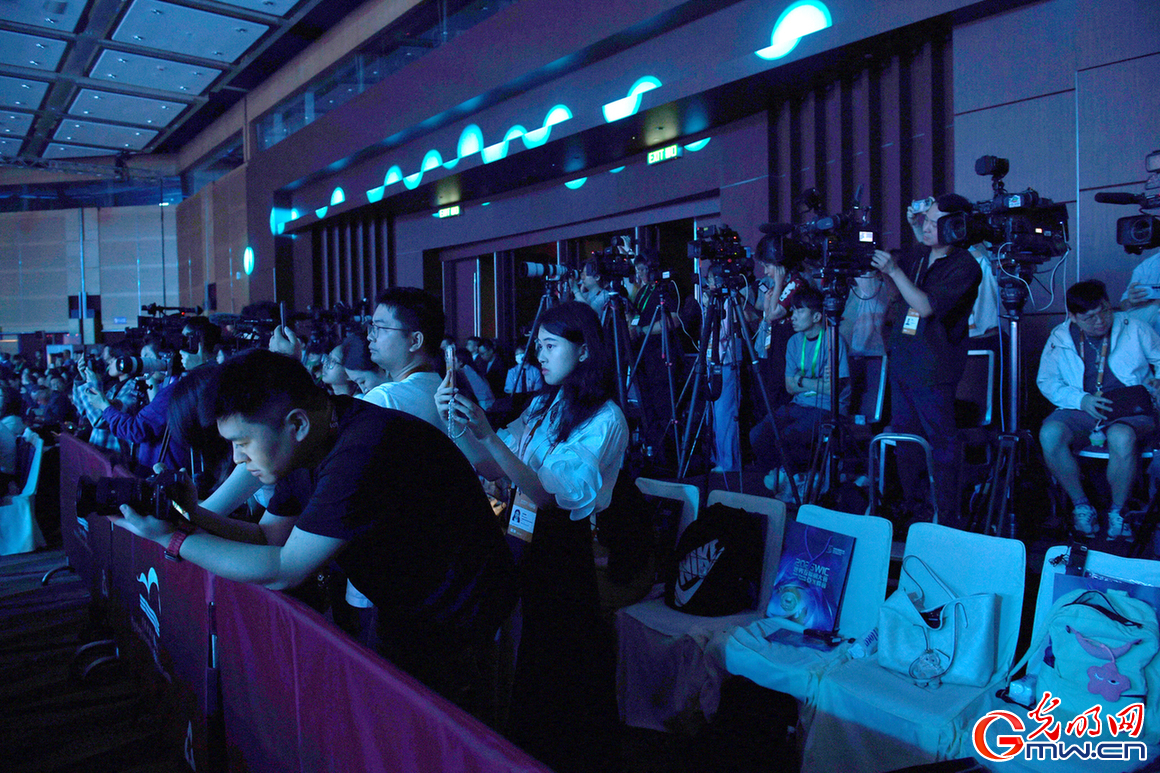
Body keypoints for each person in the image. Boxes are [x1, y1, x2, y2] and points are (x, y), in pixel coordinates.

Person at [111, 349, 518, 713]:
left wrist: (171, 539)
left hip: (467, 623)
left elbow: (284, 569)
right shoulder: (308, 443)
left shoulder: (363, 449)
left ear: (297, 424)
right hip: (412, 615)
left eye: (243, 442)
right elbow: (268, 538)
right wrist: (191, 514)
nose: (237, 457)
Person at [436, 301, 628, 773]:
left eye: (550, 345)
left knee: (561, 665)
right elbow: (493, 469)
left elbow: (544, 494)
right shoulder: (545, 403)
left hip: (563, 553)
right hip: (524, 542)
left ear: (584, 350)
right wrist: (456, 426)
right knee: (526, 661)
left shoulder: (606, 418)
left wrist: (487, 434)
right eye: (537, 345)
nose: (538, 354)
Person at [872, 193, 982, 526]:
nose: (927, 227)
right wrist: (914, 227)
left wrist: (894, 270)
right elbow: (906, 283)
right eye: (927, 220)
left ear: (955, 227)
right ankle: (916, 512)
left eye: (935, 223)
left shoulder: (965, 266)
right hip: (903, 363)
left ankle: (946, 517)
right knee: (907, 444)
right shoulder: (921, 254)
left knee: (941, 444)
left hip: (934, 369)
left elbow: (925, 306)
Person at [1038, 280, 1160, 540]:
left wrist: (1157, 381)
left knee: (1121, 436)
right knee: (1050, 434)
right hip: (1083, 405)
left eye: (1104, 311)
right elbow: (1047, 381)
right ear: (1073, 317)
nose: (1100, 321)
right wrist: (1081, 400)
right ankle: (1081, 506)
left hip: (1130, 406)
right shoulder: (1060, 337)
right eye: (1089, 317)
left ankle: (1118, 512)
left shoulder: (1134, 328)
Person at [750, 286, 850, 495]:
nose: (793, 316)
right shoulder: (794, 341)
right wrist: (817, 383)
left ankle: (793, 478)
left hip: (828, 408)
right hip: (799, 404)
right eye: (793, 311)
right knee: (758, 433)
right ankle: (783, 474)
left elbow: (833, 389)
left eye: (799, 311)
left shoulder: (834, 340)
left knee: (790, 435)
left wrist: (801, 380)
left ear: (816, 316)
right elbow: (789, 386)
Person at [72, 341, 142, 455]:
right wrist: (82, 379)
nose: (109, 363)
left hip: (114, 455)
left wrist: (93, 385)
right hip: (100, 452)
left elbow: (100, 420)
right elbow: (84, 410)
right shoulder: (114, 387)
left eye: (113, 359)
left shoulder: (134, 388)